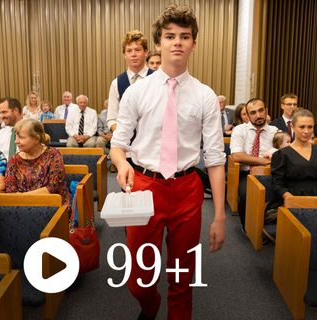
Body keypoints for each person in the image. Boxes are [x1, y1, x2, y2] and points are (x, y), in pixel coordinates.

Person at [110, 5, 226, 320]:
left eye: (184, 37)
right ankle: (150, 305)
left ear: (193, 44)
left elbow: (215, 159)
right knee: (138, 279)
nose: (177, 42)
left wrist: (219, 216)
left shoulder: (204, 95)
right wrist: (122, 164)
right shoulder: (137, 92)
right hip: (145, 187)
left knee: (182, 276)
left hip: (187, 188)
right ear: (159, 43)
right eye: (170, 36)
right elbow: (117, 146)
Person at [230, 98, 278, 230]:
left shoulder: (275, 131)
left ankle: (271, 219)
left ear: (266, 111)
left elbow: (282, 154)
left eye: (261, 110)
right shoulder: (240, 130)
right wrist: (263, 160)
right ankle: (247, 226)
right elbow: (237, 155)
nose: (258, 115)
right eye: (253, 112)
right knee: (246, 194)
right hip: (247, 173)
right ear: (248, 115)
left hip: (270, 173)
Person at [5, 118, 70, 205]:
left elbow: (53, 187)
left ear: (36, 139)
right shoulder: (14, 160)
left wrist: (23, 197)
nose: (16, 141)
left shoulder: (53, 154)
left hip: (51, 206)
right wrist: (23, 200)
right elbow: (10, 190)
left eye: (21, 137)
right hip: (21, 207)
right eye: (16, 136)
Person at [107, 30, 154, 132]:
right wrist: (122, 134)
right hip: (126, 144)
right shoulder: (116, 83)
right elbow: (111, 119)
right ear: (124, 54)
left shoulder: (158, 79)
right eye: (129, 51)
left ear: (145, 52)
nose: (133, 54)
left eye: (137, 50)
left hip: (153, 143)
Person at [270, 109, 317, 208]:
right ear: (292, 127)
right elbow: (277, 184)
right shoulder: (281, 154)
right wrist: (292, 200)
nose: (306, 131)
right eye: (302, 127)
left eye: (310, 127)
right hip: (292, 201)